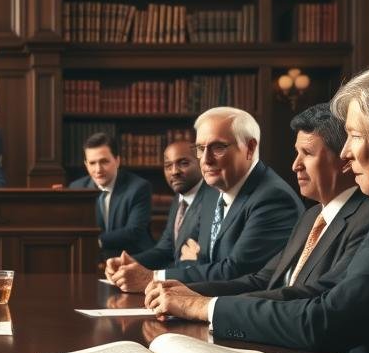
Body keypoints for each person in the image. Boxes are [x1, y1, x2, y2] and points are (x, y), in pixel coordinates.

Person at [149, 61, 369, 353]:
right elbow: (322, 292)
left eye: (354, 135)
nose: (345, 153)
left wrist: (204, 308)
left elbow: (327, 320)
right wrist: (200, 301)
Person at [145, 102, 369, 316]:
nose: (295, 165)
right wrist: (186, 291)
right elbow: (263, 280)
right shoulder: (312, 216)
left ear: (345, 158)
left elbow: (318, 297)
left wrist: (204, 306)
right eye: (296, 153)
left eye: (307, 154)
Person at [106, 106, 302, 291]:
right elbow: (201, 261)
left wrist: (152, 277)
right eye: (201, 148)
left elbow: (234, 272)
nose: (206, 160)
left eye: (218, 147)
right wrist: (135, 266)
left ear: (250, 148)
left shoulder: (273, 198)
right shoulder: (212, 193)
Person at [67, 132, 152, 257]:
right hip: (90, 260)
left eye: (104, 162)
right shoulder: (76, 188)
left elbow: (134, 231)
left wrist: (96, 241)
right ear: (86, 164)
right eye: (92, 163)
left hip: (132, 259)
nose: (98, 169)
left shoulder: (138, 187)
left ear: (117, 161)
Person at [132, 140, 213, 270]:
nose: (174, 171)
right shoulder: (178, 199)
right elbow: (165, 249)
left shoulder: (212, 200)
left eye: (183, 163)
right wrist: (128, 262)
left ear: (201, 163)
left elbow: (197, 262)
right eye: (168, 166)